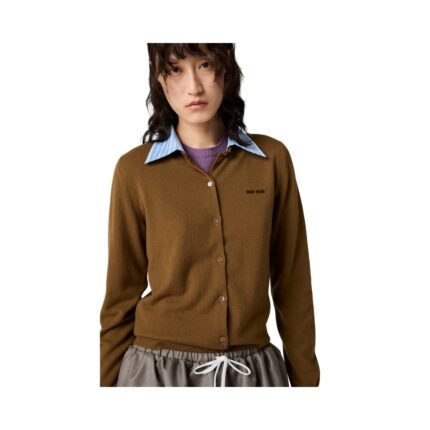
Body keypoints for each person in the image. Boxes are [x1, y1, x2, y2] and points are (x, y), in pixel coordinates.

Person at [99, 43, 320, 387]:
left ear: (226, 71)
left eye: (205, 65)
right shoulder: (134, 171)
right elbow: (120, 295)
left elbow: (293, 283)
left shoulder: (271, 160)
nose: (194, 87)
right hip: (156, 372)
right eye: (176, 69)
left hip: (252, 372)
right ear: (159, 80)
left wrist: (307, 383)